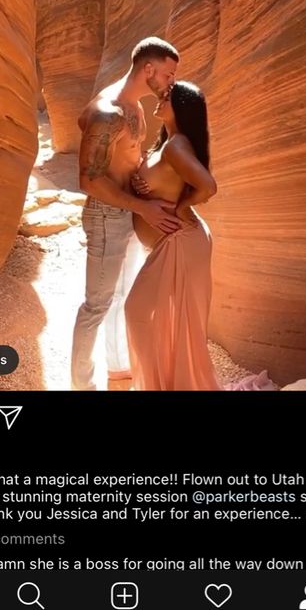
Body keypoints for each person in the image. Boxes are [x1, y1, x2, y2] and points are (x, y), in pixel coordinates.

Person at [71, 37, 181, 391]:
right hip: (107, 215)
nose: (170, 82)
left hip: (129, 211)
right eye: (167, 74)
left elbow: (82, 120)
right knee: (96, 306)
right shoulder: (109, 111)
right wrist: (141, 205)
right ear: (148, 70)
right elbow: (88, 180)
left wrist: (137, 173)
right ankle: (81, 386)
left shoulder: (132, 106)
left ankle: (118, 371)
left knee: (124, 297)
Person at [125, 81, 221, 391]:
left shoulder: (177, 145)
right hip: (173, 243)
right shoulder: (166, 143)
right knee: (161, 319)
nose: (160, 97)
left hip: (182, 241)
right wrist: (142, 187)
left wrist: (181, 207)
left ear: (181, 107)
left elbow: (208, 186)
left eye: (167, 96)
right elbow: (165, 179)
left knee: (138, 312)